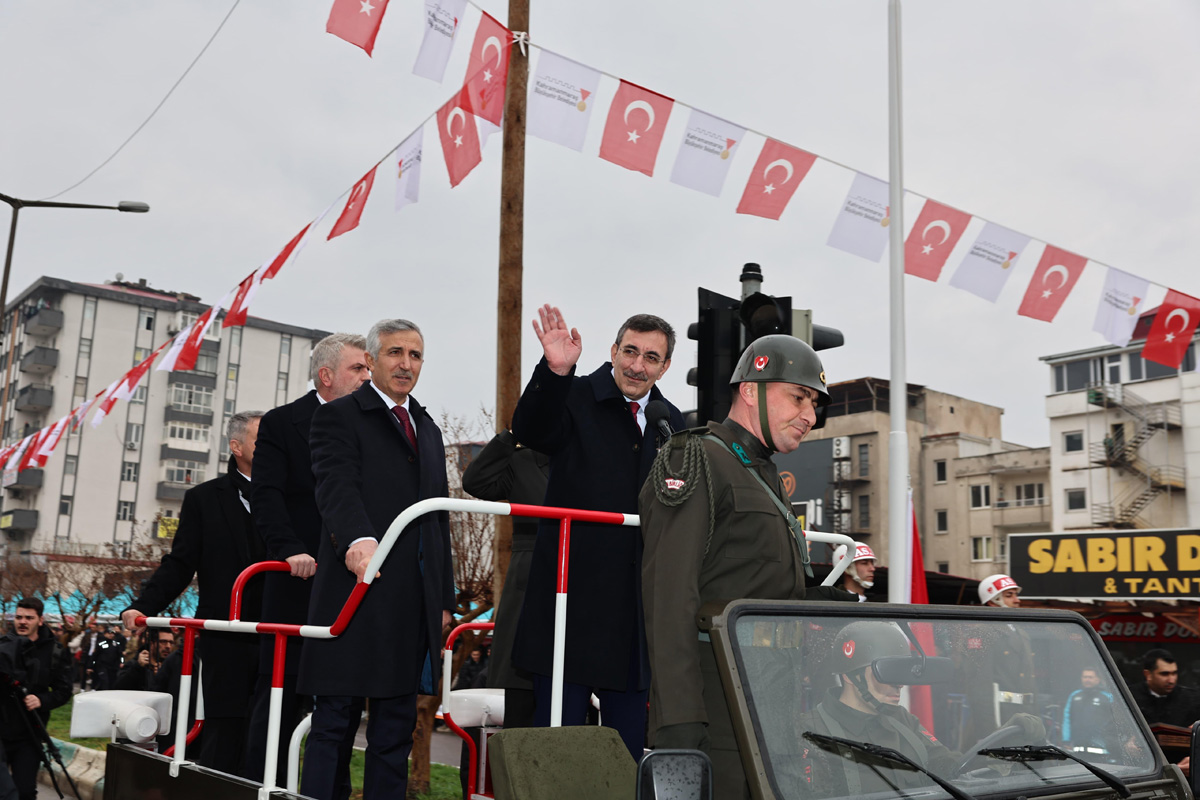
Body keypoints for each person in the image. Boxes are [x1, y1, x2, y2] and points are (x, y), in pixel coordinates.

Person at [640, 334, 859, 798]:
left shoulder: (764, 476)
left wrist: (841, 603)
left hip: (774, 700)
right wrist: (680, 720)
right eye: (798, 397)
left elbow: (760, 587)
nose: (809, 415)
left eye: (815, 404)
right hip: (715, 701)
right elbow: (669, 596)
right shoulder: (697, 457)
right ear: (750, 390)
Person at [509, 305, 684, 760]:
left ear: (665, 367)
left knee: (624, 757)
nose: (636, 365)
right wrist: (555, 370)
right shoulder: (575, 394)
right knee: (557, 753)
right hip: (570, 606)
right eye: (629, 351)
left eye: (650, 357)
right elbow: (531, 429)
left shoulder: (672, 423)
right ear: (613, 350)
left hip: (633, 619)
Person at [298, 318, 454, 800]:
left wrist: (443, 597)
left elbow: (438, 518)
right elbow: (335, 484)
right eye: (395, 353)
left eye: (415, 355)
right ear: (371, 360)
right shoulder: (340, 415)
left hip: (410, 604)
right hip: (356, 593)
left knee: (394, 731)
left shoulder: (427, 427)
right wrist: (357, 542)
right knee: (333, 724)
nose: (406, 364)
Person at [245, 333, 370, 787]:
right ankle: (264, 787)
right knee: (278, 700)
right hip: (297, 580)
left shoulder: (372, 424)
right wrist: (289, 550)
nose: (367, 376)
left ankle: (328, 791)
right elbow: (268, 495)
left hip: (350, 585)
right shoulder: (281, 423)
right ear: (326, 375)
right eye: (359, 368)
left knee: (341, 706)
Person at [121, 411, 267, 777]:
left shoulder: (295, 498)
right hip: (225, 637)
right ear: (236, 447)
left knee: (274, 731)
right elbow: (180, 563)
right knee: (225, 730)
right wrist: (142, 607)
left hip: (280, 635)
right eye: (261, 439)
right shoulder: (204, 499)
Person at [460, 428, 551, 729]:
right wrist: (512, 434)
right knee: (522, 701)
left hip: (580, 581)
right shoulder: (521, 460)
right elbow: (476, 482)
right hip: (527, 584)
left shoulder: (589, 460)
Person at [0, 598, 73, 800]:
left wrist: (42, 700)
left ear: (40, 620)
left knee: (24, 791)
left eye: (29, 618)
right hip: (2, 729)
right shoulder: (3, 647)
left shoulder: (55, 652)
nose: (22, 622)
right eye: (19, 617)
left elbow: (64, 690)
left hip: (30, 734)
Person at [964, 573, 1038, 745]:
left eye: (1016, 594)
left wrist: (1035, 718)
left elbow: (1029, 681)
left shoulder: (1021, 633)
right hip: (1000, 718)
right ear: (993, 600)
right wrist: (987, 731)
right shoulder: (982, 632)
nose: (1017, 600)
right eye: (1009, 595)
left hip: (1024, 715)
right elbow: (979, 685)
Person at [1129, 648, 1200, 728]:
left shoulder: (1192, 700)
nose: (1171, 680)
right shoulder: (1129, 697)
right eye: (1164, 674)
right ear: (1148, 674)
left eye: (1174, 673)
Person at [1062, 667, 1117, 753]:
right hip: (1077, 748)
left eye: (1090, 677)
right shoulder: (1074, 696)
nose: (1087, 679)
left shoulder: (1107, 697)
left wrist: (1110, 741)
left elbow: (1115, 721)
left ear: (1098, 679)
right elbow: (1067, 718)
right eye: (1085, 677)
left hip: (1102, 749)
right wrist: (1066, 739)